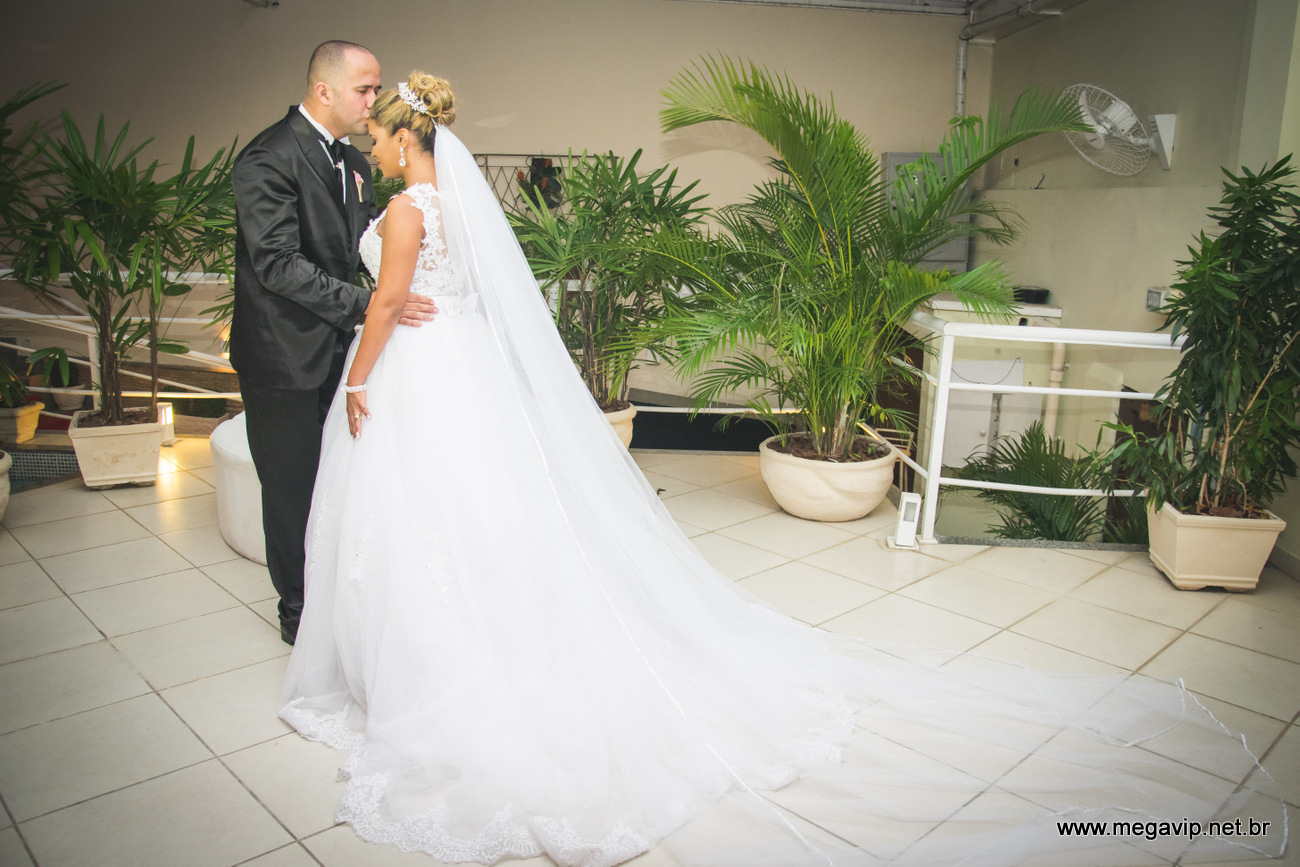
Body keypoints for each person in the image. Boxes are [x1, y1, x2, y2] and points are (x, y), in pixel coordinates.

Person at [280, 73, 1288, 867]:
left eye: (379, 135)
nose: (371, 146)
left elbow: (388, 304)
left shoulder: (410, 211)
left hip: (419, 376)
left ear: (404, 137)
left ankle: (440, 665)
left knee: (427, 521)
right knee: (468, 517)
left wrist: (361, 378)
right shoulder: (454, 211)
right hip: (459, 375)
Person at [230, 40, 434, 646]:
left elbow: (360, 250)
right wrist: (372, 305)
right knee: (291, 488)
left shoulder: (354, 162)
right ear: (324, 90)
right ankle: (299, 615)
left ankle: (340, 602)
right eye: (364, 89)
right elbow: (276, 264)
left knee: (342, 484)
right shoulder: (267, 158)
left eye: (377, 89)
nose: (375, 100)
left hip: (346, 352)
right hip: (284, 355)